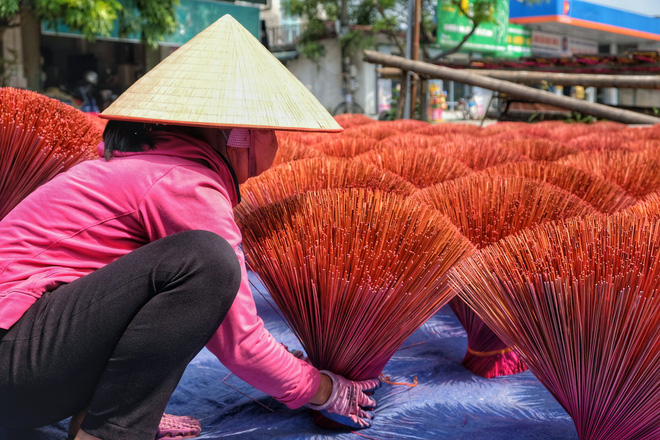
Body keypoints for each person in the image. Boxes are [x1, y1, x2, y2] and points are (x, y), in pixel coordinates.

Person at [0, 15, 380, 440]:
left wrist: (137, 404)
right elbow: (241, 342)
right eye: (269, 128)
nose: (276, 140)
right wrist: (323, 389)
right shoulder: (184, 184)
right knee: (208, 263)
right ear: (238, 134)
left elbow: (130, 316)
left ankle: (108, 419)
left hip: (23, 364)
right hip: (12, 365)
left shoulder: (146, 169)